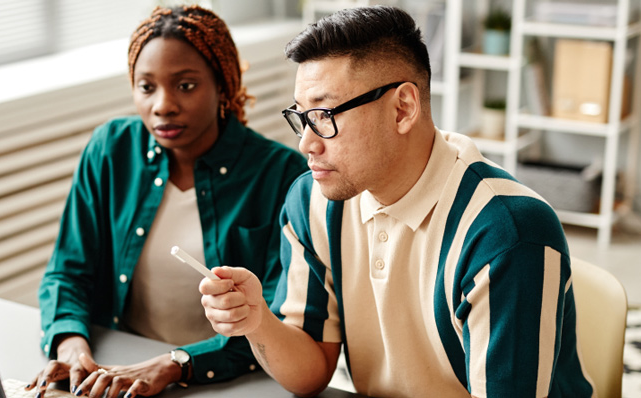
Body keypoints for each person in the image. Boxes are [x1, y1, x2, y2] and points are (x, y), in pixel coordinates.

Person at [199, 6, 594, 398]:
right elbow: (310, 373)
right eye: (302, 117)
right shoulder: (311, 201)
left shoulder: (506, 232)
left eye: (324, 115)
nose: (306, 143)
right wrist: (257, 321)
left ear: (403, 108)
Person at [27, 5, 308, 398]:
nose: (162, 105)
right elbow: (67, 272)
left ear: (223, 85)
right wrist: (71, 346)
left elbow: (277, 321)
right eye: (147, 87)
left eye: (186, 85)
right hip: (118, 367)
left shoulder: (282, 175)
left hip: (231, 379)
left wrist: (175, 363)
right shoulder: (110, 150)